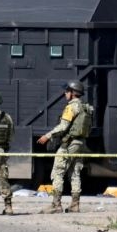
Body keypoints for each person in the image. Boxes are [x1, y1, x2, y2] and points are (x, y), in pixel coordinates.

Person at [37, 80, 92, 213]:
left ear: (73, 93)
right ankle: (75, 204)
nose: (65, 93)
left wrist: (48, 136)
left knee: (58, 172)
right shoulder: (85, 107)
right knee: (74, 173)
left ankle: (56, 205)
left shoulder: (71, 107)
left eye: (67, 91)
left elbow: (63, 126)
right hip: (80, 144)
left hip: (69, 144)